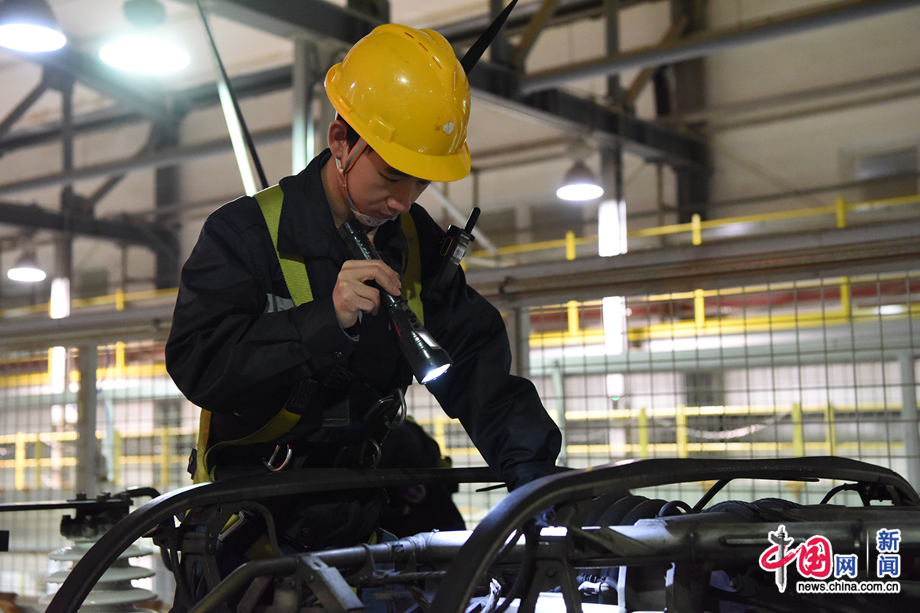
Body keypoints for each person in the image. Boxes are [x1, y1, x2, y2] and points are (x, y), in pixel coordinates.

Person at [165, 24, 561, 555]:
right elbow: (199, 364)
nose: (404, 201)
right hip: (247, 533)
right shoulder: (246, 235)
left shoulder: (416, 245)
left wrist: (533, 474)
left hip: (358, 524)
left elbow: (474, 365)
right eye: (393, 175)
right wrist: (323, 322)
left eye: (421, 181)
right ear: (341, 141)